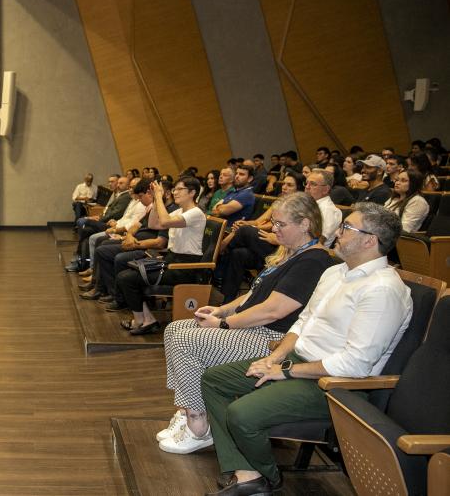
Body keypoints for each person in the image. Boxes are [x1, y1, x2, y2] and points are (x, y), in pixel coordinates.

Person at [200, 203, 412, 496]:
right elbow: (302, 322)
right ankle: (246, 470)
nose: (337, 232)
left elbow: (355, 364)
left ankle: (266, 478)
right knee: (214, 379)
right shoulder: (336, 272)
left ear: (369, 240)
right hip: (299, 362)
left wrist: (285, 371)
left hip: (336, 385)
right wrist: (275, 357)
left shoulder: (382, 290)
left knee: (242, 414)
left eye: (346, 228)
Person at [158, 193, 333, 454]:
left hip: (272, 339)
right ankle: (186, 410)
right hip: (255, 328)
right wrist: (222, 309)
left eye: (280, 224)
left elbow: (272, 311)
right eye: (274, 222)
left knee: (186, 341)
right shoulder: (290, 253)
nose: (273, 229)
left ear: (305, 224)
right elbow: (253, 295)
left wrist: (223, 325)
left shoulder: (314, 260)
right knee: (174, 329)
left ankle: (198, 424)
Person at [114, 177, 206, 334]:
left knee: (126, 278)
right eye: (175, 189)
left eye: (179, 189)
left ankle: (142, 321)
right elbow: (154, 224)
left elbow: (164, 222)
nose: (175, 192)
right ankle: (146, 320)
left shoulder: (195, 213)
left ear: (192, 192)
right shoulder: (179, 211)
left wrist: (157, 196)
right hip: (171, 261)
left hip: (185, 267)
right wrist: (157, 200)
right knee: (126, 275)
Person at [216, 171, 303, 303]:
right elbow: (260, 221)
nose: (284, 187)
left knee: (243, 231)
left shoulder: (299, 206)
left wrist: (252, 228)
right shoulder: (280, 201)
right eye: (284, 184)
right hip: (266, 242)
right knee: (238, 253)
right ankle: (227, 300)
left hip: (281, 247)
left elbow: (273, 226)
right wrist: (247, 223)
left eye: (289, 185)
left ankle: (220, 252)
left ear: (298, 188)